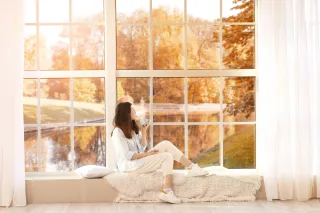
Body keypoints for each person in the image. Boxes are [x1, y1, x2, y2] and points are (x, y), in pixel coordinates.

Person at [111, 102, 208, 204]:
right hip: (129, 167)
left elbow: (142, 146)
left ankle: (192, 167)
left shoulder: (131, 130)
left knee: (166, 144)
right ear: (126, 113)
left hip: (139, 160)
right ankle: (167, 191)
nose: (135, 111)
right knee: (167, 157)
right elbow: (128, 155)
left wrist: (143, 131)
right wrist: (147, 155)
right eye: (133, 109)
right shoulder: (118, 132)